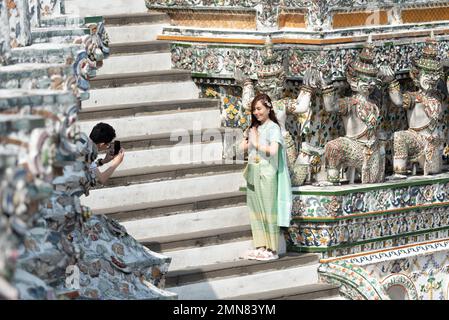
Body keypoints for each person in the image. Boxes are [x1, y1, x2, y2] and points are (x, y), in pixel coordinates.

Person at [241, 93, 292, 261]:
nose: (256, 112)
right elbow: (245, 148)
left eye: (259, 109)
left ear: (268, 108)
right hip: (254, 171)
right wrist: (245, 143)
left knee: (268, 209)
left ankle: (272, 248)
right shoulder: (255, 129)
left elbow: (273, 151)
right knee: (255, 209)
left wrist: (256, 144)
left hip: (267, 173)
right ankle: (260, 246)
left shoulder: (273, 128)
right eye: (254, 110)